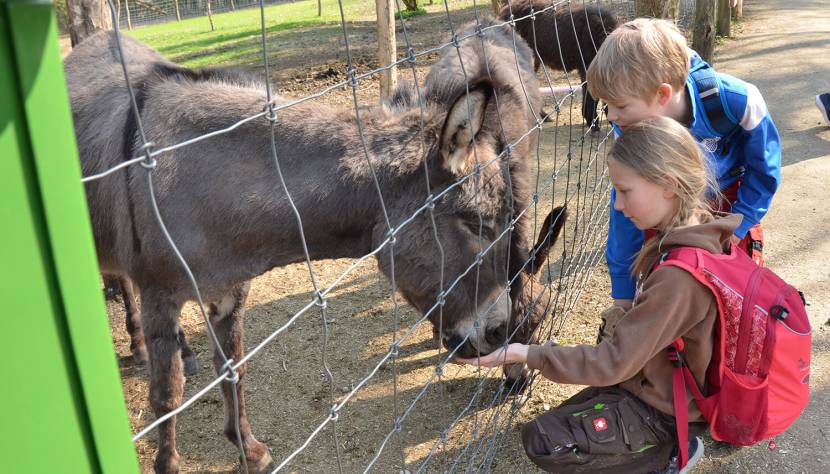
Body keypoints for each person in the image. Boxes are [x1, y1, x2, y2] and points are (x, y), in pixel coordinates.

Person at [457, 117, 736, 473]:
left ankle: (667, 453)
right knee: (559, 421)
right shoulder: (696, 231)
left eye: (625, 190)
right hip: (656, 382)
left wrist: (522, 353)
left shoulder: (678, 276)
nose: (618, 205)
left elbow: (612, 362)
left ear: (668, 185)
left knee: (544, 441)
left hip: (666, 407)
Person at [585, 18, 781, 325]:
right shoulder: (629, 125)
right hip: (667, 200)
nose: (611, 116)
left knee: (730, 284)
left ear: (662, 95)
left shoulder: (737, 102)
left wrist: (738, 227)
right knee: (666, 275)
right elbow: (624, 212)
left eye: (619, 106)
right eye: (607, 106)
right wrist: (623, 297)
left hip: (725, 200)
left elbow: (763, 171)